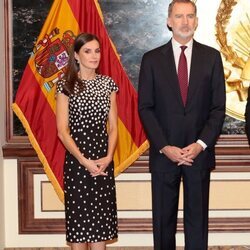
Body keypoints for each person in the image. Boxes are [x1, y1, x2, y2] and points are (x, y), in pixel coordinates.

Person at [138, 0, 225, 249]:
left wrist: (199, 145)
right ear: (169, 21)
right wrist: (165, 146)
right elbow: (145, 108)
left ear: (197, 21)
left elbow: (217, 108)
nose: (184, 22)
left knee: (197, 224)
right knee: (163, 224)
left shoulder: (212, 58)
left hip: (198, 154)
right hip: (164, 155)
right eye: (179, 16)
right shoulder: (151, 60)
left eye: (190, 16)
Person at [56, 33, 118, 250]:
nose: (94, 56)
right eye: (88, 51)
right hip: (77, 163)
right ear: (76, 55)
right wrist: (84, 161)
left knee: (99, 230)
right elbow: (62, 132)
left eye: (97, 51)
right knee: (79, 231)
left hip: (103, 163)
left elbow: (113, 127)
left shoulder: (108, 84)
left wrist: (109, 157)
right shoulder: (66, 85)